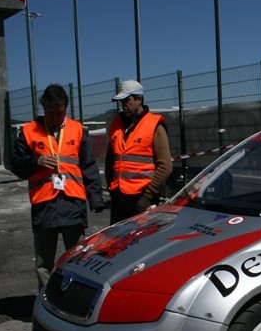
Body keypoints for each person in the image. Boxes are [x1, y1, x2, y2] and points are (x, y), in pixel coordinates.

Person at [11, 84, 104, 289]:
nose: (54, 116)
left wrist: (95, 200)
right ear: (43, 108)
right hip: (44, 205)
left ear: (66, 109)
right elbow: (16, 166)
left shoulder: (77, 130)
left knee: (77, 257)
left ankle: (73, 298)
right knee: (44, 263)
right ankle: (45, 302)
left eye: (59, 112)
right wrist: (36, 162)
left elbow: (89, 167)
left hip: (72, 203)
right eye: (50, 112)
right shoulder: (28, 132)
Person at [106, 80, 173, 224]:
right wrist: (112, 189)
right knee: (117, 243)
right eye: (121, 101)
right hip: (119, 198)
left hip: (141, 199)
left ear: (139, 99)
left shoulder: (154, 125)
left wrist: (147, 196)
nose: (123, 105)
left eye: (127, 100)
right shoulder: (115, 125)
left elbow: (165, 166)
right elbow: (110, 162)